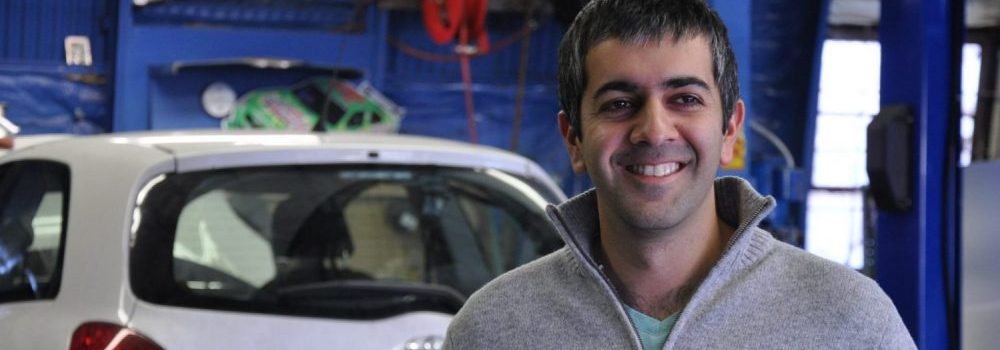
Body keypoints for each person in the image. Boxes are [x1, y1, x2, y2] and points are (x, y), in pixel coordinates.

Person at [443, 0, 916, 349]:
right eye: (619, 104)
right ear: (573, 139)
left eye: (685, 99)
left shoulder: (850, 321)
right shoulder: (491, 330)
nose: (654, 130)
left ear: (729, 129)